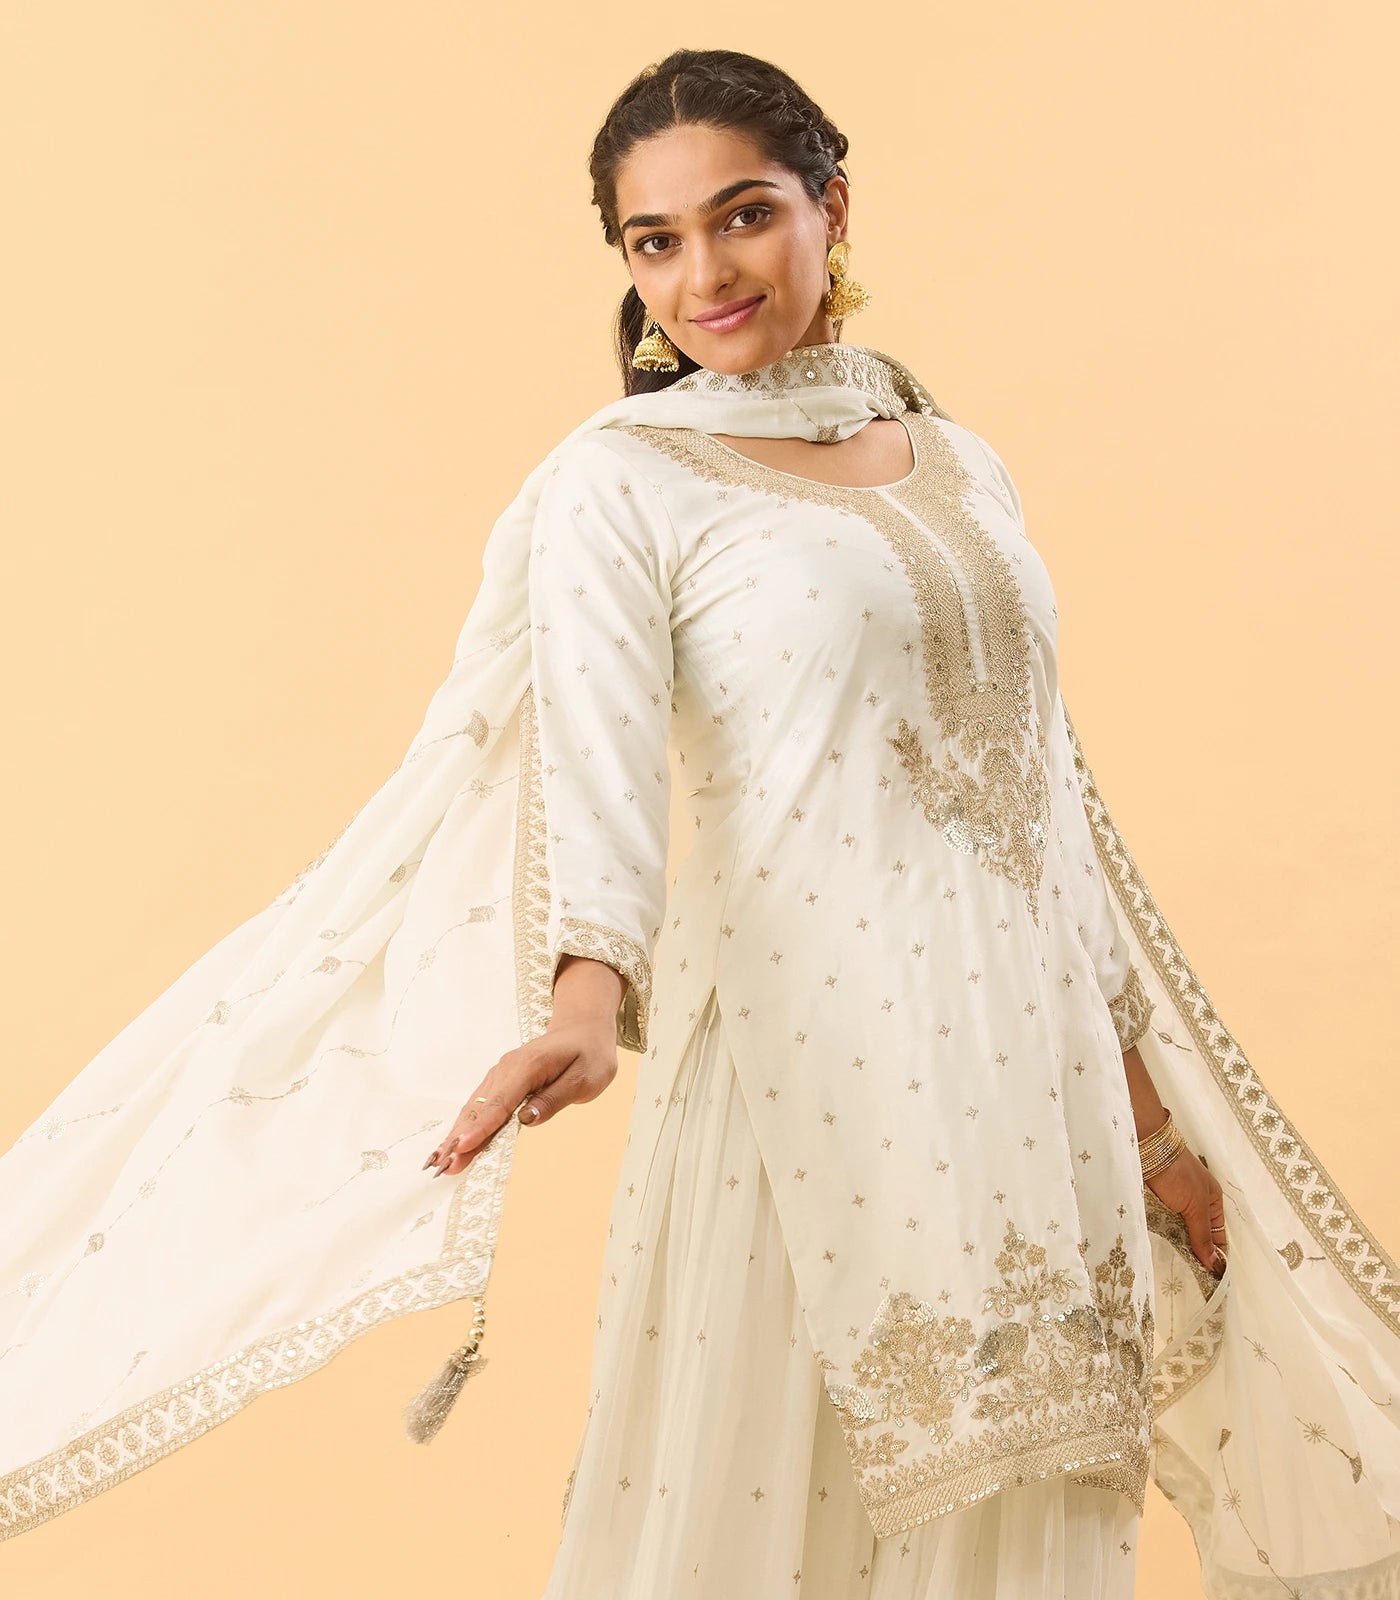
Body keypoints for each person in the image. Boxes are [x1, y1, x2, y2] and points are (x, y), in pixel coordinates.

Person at [1, 46, 1396, 1600]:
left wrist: (1151, 1127)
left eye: (743, 216)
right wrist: (583, 999)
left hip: (1033, 1080)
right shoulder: (623, 486)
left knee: (1038, 1520)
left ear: (832, 207)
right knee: (765, 1514)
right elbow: (594, 762)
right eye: (654, 241)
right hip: (804, 1075)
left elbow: (1047, 815)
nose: (704, 275)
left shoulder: (959, 461)